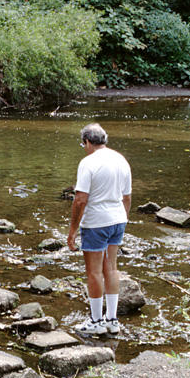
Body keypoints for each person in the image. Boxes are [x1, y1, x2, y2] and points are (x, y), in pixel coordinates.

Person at [67, 123, 132, 335]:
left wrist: (72, 230)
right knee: (111, 268)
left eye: (82, 144)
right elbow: (127, 197)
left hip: (96, 222)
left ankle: (96, 321)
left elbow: (80, 200)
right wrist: (122, 219)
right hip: (118, 219)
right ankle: (112, 320)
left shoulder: (88, 162)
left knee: (94, 271)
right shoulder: (121, 159)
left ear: (87, 141)